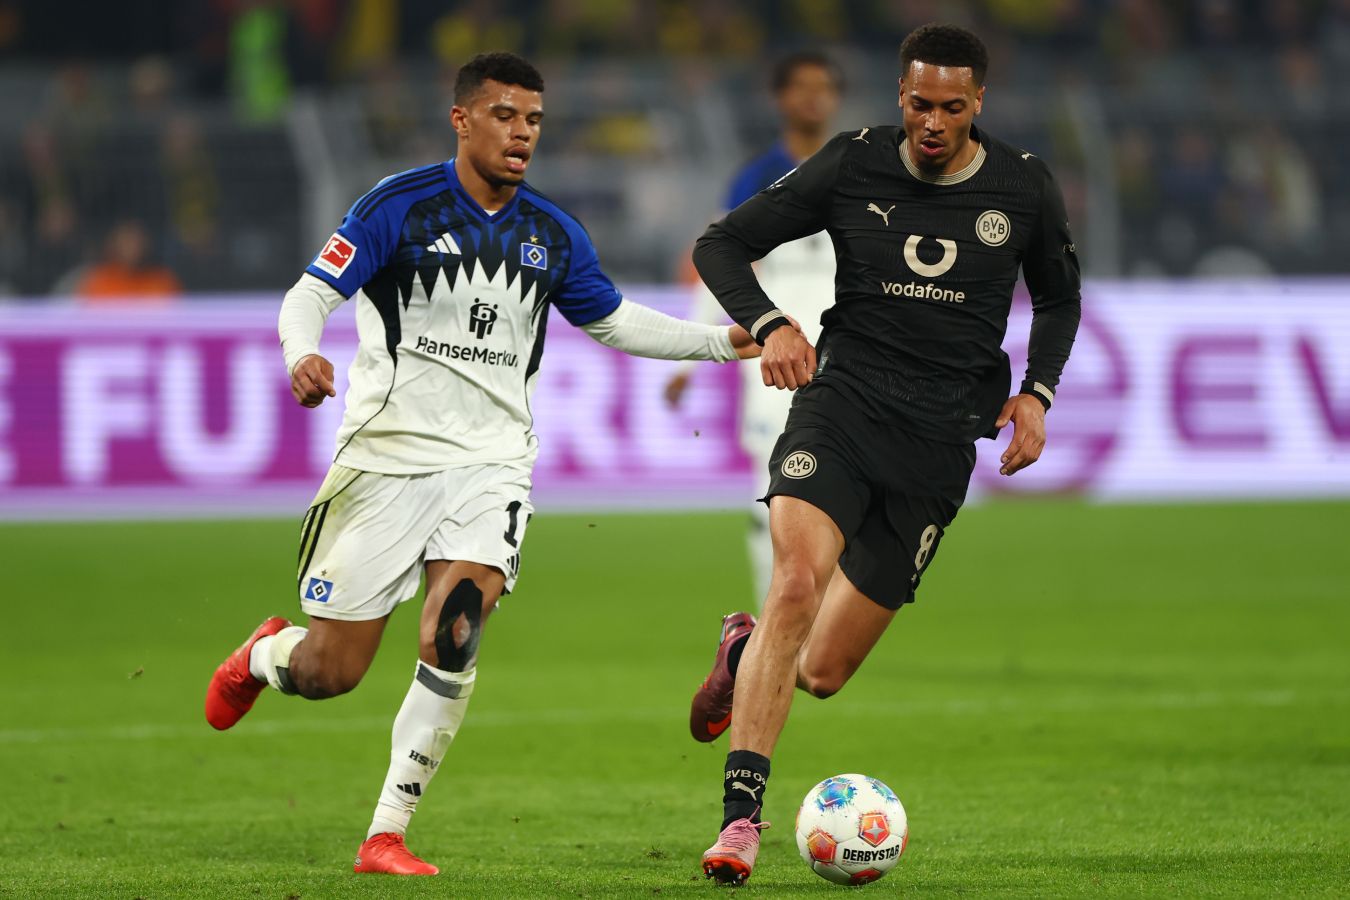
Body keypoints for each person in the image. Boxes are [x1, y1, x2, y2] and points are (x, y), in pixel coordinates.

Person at [202, 51, 759, 877]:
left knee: (455, 628)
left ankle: (386, 833)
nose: (522, 133)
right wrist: (300, 354)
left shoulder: (552, 233)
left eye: (533, 119)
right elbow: (310, 293)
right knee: (330, 672)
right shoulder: (397, 206)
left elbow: (611, 319)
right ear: (461, 119)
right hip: (387, 462)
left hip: (493, 466)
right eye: (504, 115)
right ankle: (263, 655)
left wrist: (722, 342)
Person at [688, 24, 1081, 884]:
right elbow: (720, 243)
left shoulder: (1022, 186)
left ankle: (742, 653)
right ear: (900, 94)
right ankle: (740, 821)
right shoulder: (853, 161)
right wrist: (771, 324)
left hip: (937, 445)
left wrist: (1037, 394)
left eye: (952, 107)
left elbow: (1058, 300)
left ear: (978, 102)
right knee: (795, 583)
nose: (933, 122)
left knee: (822, 671)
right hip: (841, 410)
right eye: (919, 103)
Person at [664, 52, 841, 623]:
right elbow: (717, 263)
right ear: (780, 98)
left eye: (823, 87)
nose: (813, 97)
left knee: (843, 493)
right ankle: (777, 623)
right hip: (776, 355)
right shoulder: (755, 177)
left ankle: (822, 627)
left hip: (847, 354)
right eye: (802, 87)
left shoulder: (855, 170)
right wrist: (688, 358)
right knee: (775, 489)